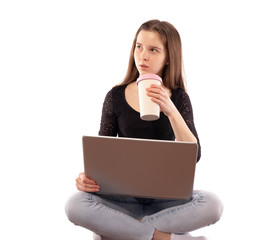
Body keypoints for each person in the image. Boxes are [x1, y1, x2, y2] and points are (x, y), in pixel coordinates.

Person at [65, 19, 223, 240]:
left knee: (213, 205)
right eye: (138, 47)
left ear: (168, 58)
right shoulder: (115, 96)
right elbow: (103, 154)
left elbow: (193, 155)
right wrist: (88, 179)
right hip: (123, 200)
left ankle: (124, 231)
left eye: (153, 50)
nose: (143, 56)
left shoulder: (178, 97)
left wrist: (172, 111)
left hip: (166, 201)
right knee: (75, 204)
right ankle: (167, 237)